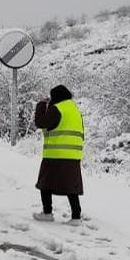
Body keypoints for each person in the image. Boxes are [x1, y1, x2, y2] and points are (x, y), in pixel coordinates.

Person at [34, 84, 84, 222]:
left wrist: (41, 105)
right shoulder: (74, 109)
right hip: (73, 155)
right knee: (71, 186)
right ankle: (76, 216)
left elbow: (41, 122)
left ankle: (47, 213)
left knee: (45, 183)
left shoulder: (58, 109)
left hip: (55, 153)